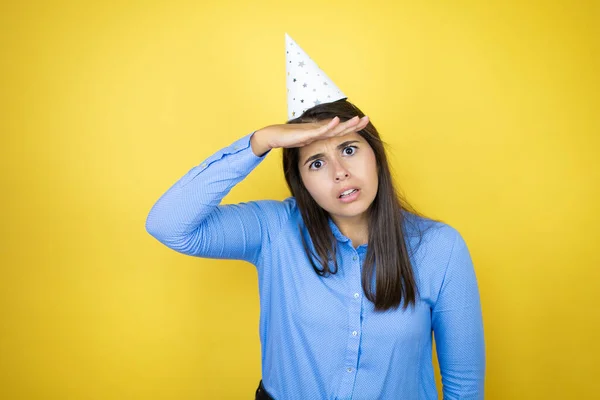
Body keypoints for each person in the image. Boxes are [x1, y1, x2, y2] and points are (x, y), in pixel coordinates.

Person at [145, 35, 485, 399]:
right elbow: (169, 224)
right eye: (316, 163)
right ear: (301, 182)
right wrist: (259, 142)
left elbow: (463, 385)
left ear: (376, 157)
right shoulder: (274, 229)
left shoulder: (440, 247)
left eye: (349, 149)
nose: (339, 172)